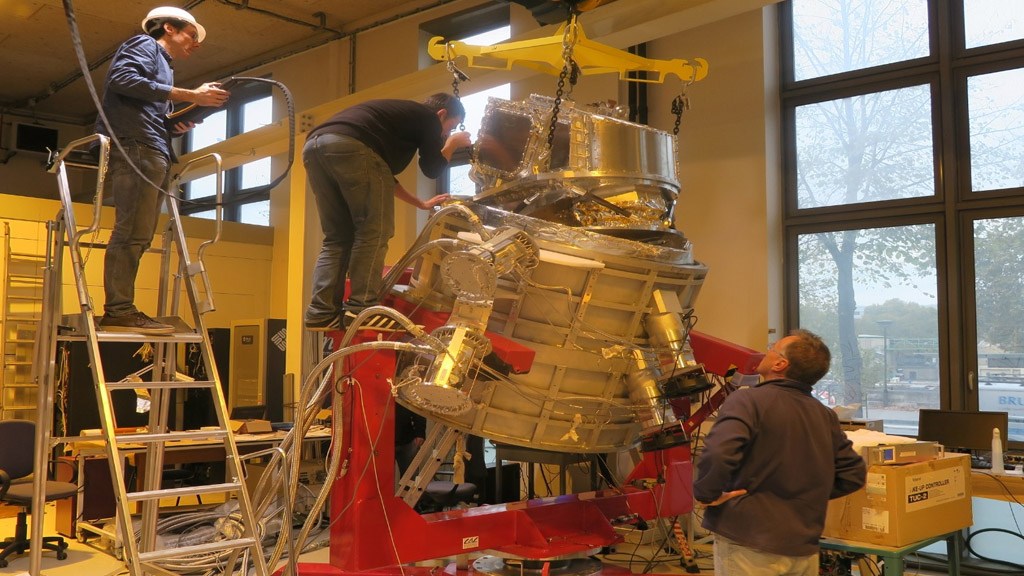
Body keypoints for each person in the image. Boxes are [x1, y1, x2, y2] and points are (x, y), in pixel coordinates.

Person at [96, 6, 230, 334]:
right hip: (138, 147)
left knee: (138, 234)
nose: (195, 43)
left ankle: (121, 308)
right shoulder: (145, 45)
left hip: (149, 146)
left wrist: (175, 122)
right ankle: (119, 310)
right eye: (191, 35)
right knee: (132, 233)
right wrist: (191, 94)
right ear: (168, 28)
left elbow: (143, 103)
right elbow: (123, 80)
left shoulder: (162, 67)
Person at [693, 329, 866, 576]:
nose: (767, 349)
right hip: (803, 547)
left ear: (780, 364)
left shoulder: (747, 402)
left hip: (750, 544)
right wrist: (803, 496)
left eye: (772, 347)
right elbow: (854, 474)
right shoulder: (824, 414)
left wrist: (707, 494)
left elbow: (719, 453)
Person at [302, 94, 471, 331]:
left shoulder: (389, 123)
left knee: (337, 238)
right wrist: (452, 144)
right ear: (441, 114)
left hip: (315, 147)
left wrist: (420, 203)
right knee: (373, 232)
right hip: (351, 148)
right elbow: (432, 168)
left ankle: (321, 313)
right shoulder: (428, 117)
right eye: (448, 128)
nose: (443, 134)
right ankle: (361, 310)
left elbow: (381, 177)